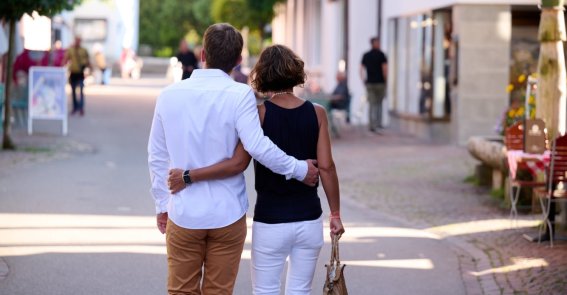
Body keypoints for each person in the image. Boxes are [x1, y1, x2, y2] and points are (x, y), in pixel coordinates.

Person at [147, 23, 319, 295]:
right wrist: (299, 168)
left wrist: (161, 204)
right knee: (218, 291)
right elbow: (258, 146)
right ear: (239, 60)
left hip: (184, 211)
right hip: (227, 214)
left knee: (181, 291)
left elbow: (156, 155)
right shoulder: (241, 95)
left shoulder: (168, 96)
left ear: (203, 54)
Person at [360, 36, 388, 133]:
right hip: (379, 83)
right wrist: (385, 80)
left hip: (371, 83)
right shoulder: (381, 55)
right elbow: (385, 69)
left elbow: (361, 69)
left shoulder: (366, 55)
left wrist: (363, 79)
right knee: (378, 104)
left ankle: (373, 125)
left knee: (373, 104)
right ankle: (377, 124)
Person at [63, 36, 90, 116]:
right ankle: (75, 107)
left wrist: (88, 69)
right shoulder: (70, 50)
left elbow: (88, 61)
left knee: (81, 91)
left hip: (80, 73)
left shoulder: (84, 50)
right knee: (73, 92)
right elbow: (65, 59)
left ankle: (81, 108)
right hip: (73, 73)